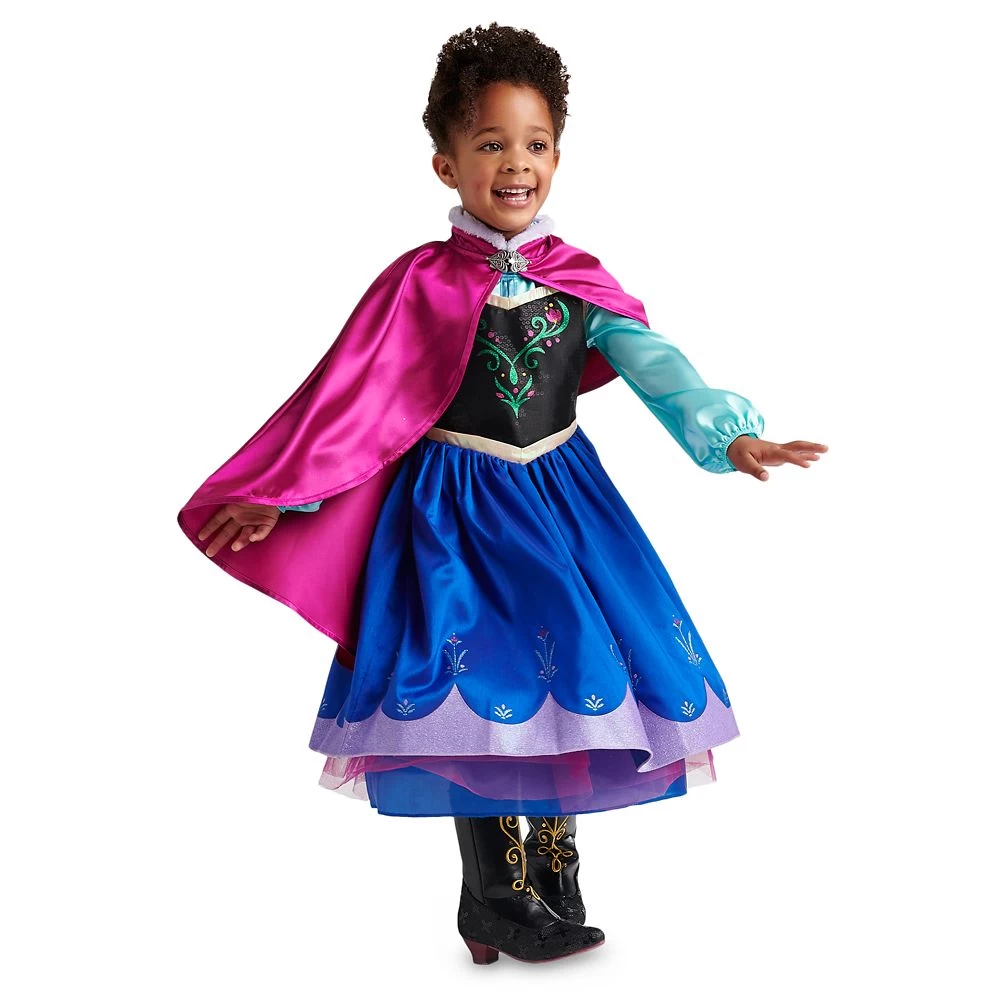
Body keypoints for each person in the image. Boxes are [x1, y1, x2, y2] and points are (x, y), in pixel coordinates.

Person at [177, 23, 827, 965]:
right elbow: (351, 401)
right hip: (455, 514)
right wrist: (290, 491)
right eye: (490, 144)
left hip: (562, 506)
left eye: (535, 144)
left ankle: (554, 870)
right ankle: (492, 890)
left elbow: (655, 363)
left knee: (569, 672)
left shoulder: (578, 280)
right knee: (478, 685)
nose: (516, 164)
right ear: (447, 164)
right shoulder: (418, 282)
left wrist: (729, 434)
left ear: (557, 155)